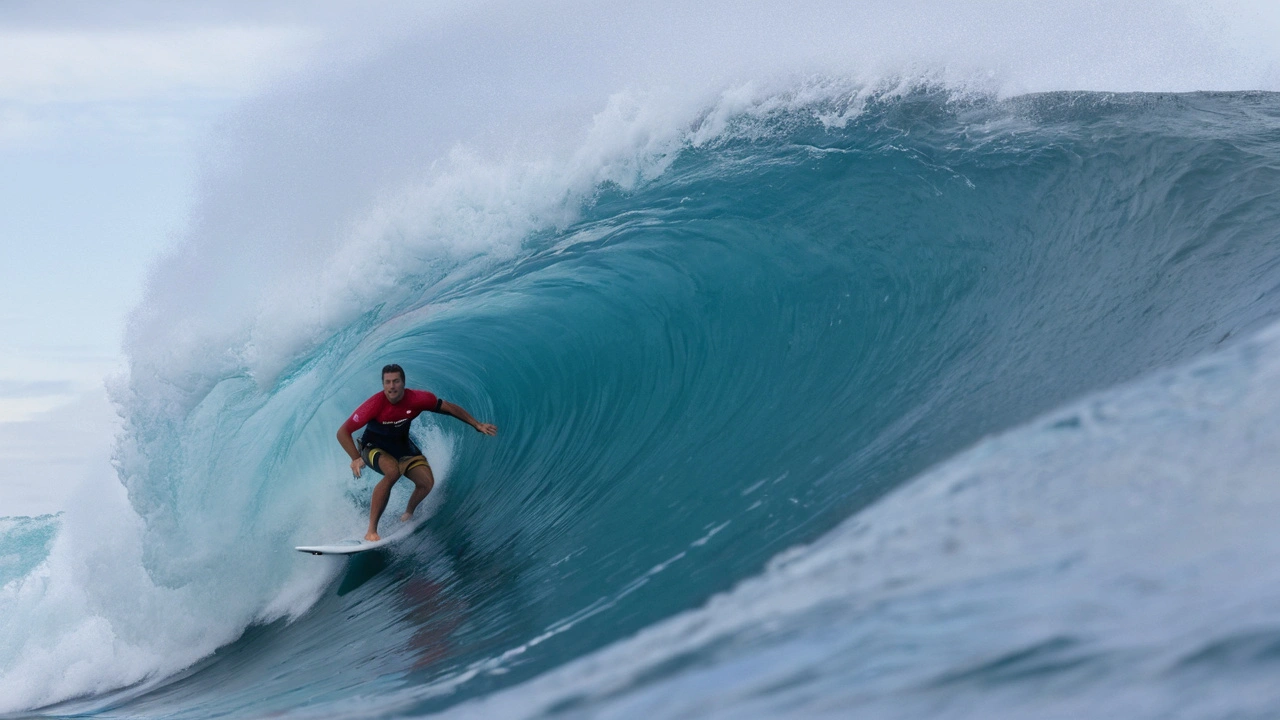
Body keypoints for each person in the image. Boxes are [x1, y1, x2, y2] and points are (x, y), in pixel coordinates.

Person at [337, 363, 497, 541]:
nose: (392, 386)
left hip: (402, 446)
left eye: (396, 381)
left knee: (426, 483)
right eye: (387, 382)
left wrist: (477, 424)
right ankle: (371, 531)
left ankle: (408, 514)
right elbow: (343, 432)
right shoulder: (374, 405)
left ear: (403, 382)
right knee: (393, 471)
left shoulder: (418, 399)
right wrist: (356, 458)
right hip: (372, 447)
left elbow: (449, 408)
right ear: (383, 385)